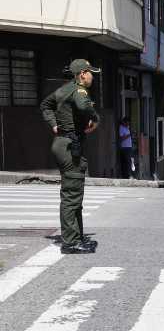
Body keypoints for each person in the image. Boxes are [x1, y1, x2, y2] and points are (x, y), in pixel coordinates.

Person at [40, 59, 101, 254]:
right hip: (69, 146)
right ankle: (70, 242)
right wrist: (95, 119)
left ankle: (77, 237)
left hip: (64, 143)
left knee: (74, 194)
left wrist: (54, 124)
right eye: (90, 73)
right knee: (72, 196)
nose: (92, 77)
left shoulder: (64, 90)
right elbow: (84, 107)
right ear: (82, 74)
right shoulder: (79, 91)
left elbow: (45, 105)